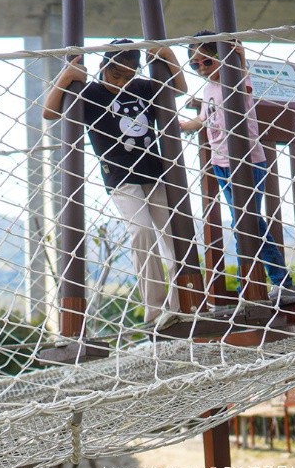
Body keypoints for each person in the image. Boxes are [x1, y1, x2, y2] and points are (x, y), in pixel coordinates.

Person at [43, 39, 188, 327]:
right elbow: (50, 112)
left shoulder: (143, 88)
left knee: (174, 236)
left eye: (128, 76)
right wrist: (66, 76)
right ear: (102, 67)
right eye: (115, 75)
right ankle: (156, 310)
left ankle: (182, 303)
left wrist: (169, 56)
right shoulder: (90, 94)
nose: (121, 82)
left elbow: (179, 89)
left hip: (155, 172)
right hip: (120, 178)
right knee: (142, 231)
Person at [179, 32, 295, 300]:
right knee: (245, 221)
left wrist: (238, 58)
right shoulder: (209, 88)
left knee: (247, 221)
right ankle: (263, 280)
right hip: (221, 163)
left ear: (222, 58)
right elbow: (206, 117)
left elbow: (239, 78)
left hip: (247, 161)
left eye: (207, 62)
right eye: (194, 65)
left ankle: (273, 281)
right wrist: (187, 125)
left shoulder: (236, 78)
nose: (201, 69)